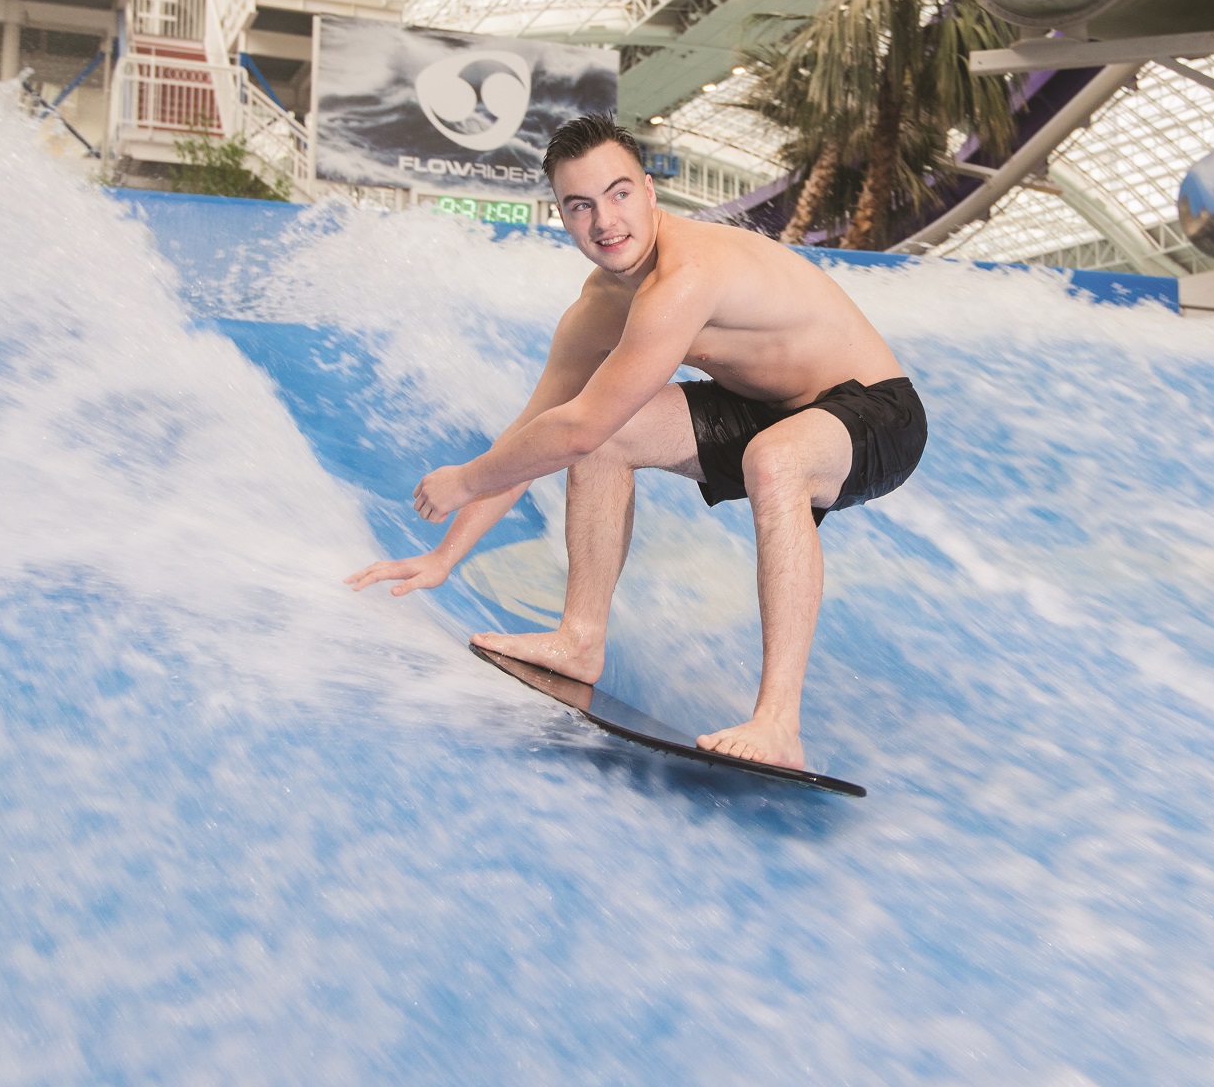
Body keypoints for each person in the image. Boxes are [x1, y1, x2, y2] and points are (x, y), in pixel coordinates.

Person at [345, 114, 927, 769]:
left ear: (650, 192)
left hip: (875, 411)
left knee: (771, 458)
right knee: (604, 435)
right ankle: (579, 639)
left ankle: (778, 725)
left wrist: (466, 479)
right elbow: (544, 432)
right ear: (562, 217)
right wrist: (445, 556)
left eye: (619, 193)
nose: (604, 221)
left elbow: (573, 429)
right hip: (763, 406)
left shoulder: (687, 275)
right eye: (580, 206)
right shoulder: (597, 307)